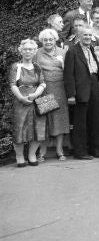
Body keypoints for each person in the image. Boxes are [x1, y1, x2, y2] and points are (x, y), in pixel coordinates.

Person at [64, 24, 99, 160]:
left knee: (95, 119)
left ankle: (95, 150)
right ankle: (80, 152)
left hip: (93, 87)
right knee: (80, 123)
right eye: (84, 35)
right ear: (79, 37)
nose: (87, 37)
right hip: (80, 90)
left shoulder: (91, 49)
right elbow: (68, 75)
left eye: (89, 35)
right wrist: (71, 95)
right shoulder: (72, 51)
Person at [9, 39, 47, 167]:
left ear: (35, 51)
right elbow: (13, 84)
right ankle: (19, 156)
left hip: (36, 102)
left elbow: (42, 83)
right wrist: (20, 97)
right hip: (21, 103)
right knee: (19, 129)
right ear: (21, 50)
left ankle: (32, 155)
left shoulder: (37, 67)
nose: (28, 51)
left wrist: (36, 94)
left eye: (31, 49)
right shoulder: (16, 66)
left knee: (38, 129)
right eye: (25, 49)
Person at [35, 29, 70, 161]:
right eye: (45, 40)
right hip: (44, 89)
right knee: (45, 120)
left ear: (55, 40)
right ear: (41, 41)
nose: (48, 42)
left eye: (51, 39)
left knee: (60, 120)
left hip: (60, 89)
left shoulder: (63, 52)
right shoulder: (37, 53)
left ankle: (60, 150)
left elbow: (68, 70)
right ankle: (42, 152)